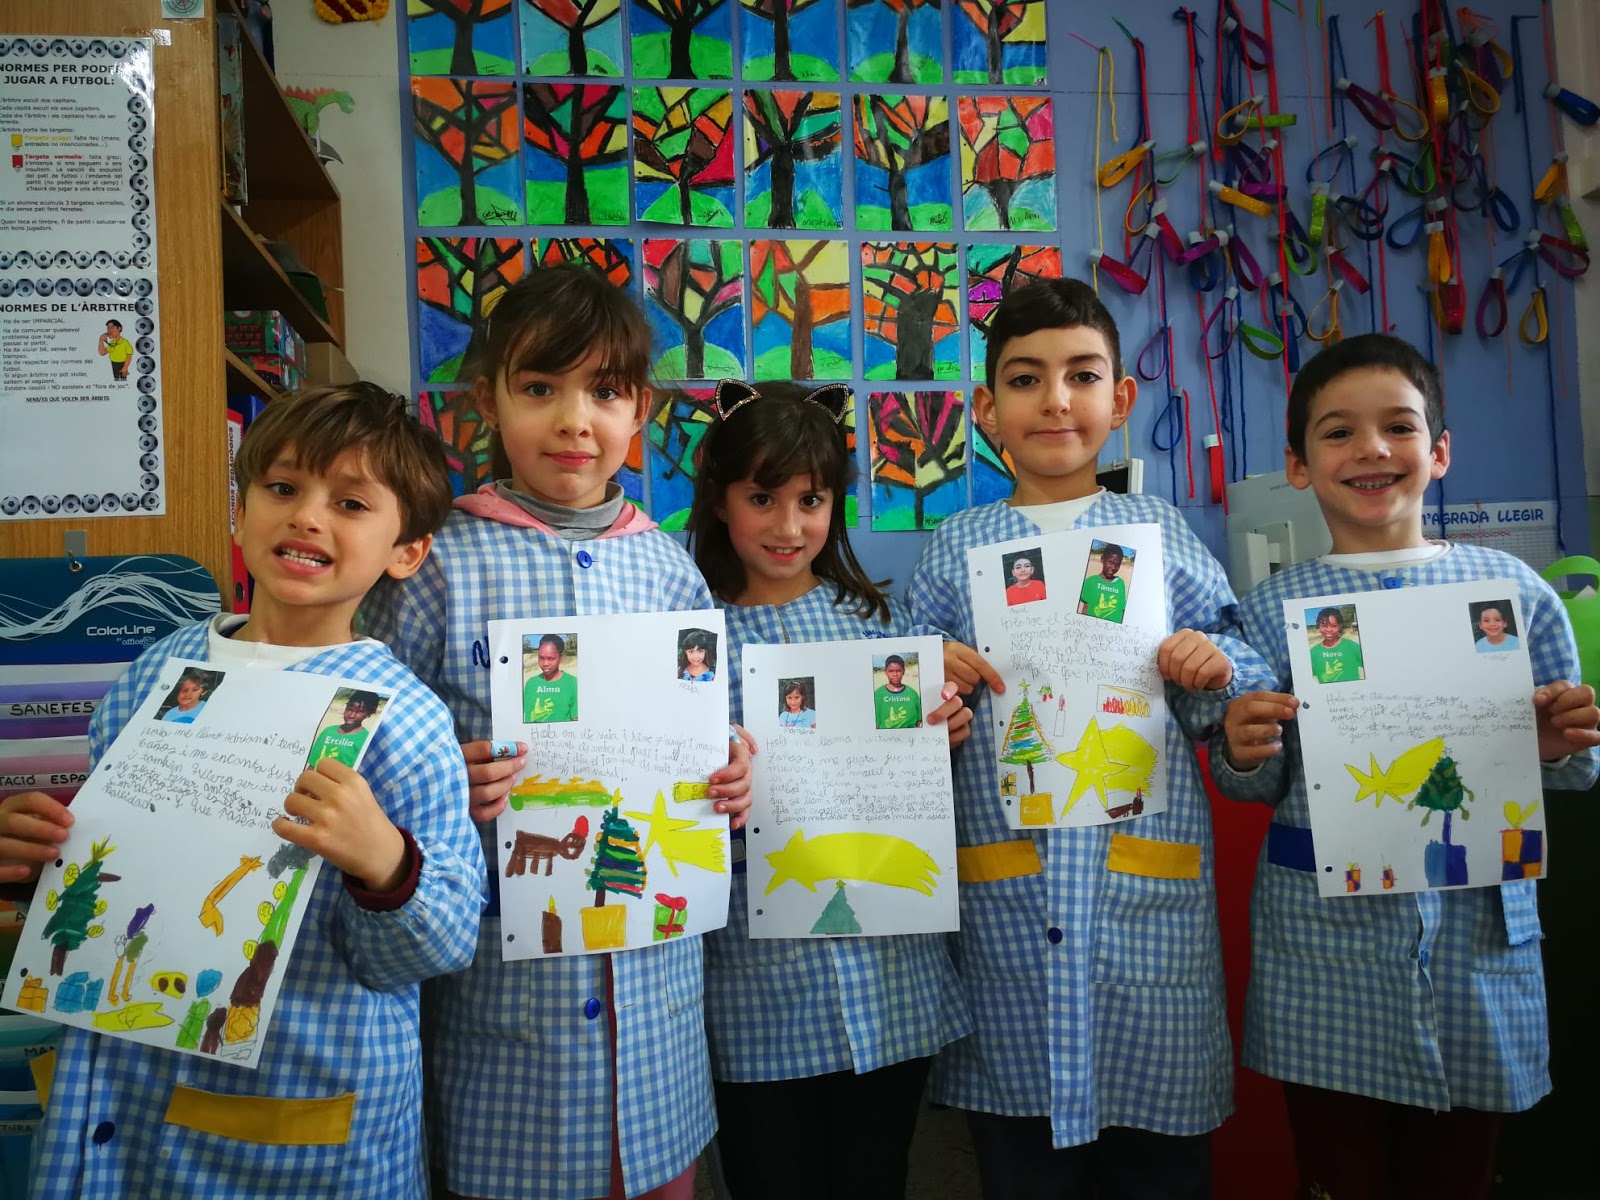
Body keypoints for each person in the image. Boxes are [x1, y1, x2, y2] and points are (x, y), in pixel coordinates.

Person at [0, 383, 486, 1198]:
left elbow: (437, 947)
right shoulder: (160, 671)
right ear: (241, 510)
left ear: (407, 551)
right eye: (283, 487)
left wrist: (386, 864)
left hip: (293, 1108)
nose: (307, 517)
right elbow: (109, 857)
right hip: (118, 1085)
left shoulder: (404, 718)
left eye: (351, 503)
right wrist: (37, 854)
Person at [363, 265, 752, 1200]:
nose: (574, 420)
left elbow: (717, 724)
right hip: (505, 1009)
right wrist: (437, 780)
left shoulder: (670, 572)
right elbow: (368, 744)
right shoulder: (435, 563)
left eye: (604, 392)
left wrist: (734, 767)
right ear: (487, 402)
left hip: (655, 1002)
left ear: (640, 411)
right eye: (540, 388)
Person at [1211, 333, 1600, 1200]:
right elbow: (1253, 781)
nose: (1372, 449)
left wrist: (1553, 743)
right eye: (1338, 432)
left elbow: (1573, 771)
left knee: (1458, 1175)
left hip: (1476, 951)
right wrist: (1241, 745)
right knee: (1338, 1174)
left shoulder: (1515, 596)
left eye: (1398, 426)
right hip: (1325, 958)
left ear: (1440, 450)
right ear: (1299, 464)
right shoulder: (1266, 612)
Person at [907, 278, 1271, 1198]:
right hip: (1010, 922)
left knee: (1161, 1171)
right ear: (987, 406)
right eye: (1025, 379)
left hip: (1142, 924)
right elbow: (905, 728)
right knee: (1023, 1170)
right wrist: (927, 692)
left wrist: (1215, 666)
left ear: (1121, 398)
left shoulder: (1158, 535)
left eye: (1081, 375)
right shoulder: (955, 548)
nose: (1055, 400)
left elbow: (1237, 690)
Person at [685, 379, 975, 1200]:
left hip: (889, 985)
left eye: (811, 500)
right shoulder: (690, 642)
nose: (788, 526)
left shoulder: (883, 628)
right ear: (720, 500)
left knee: (875, 1179)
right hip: (756, 990)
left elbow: (914, 788)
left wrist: (941, 737)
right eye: (762, 498)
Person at [307, 689, 380, 767]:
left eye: (359, 711)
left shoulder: (365, 739)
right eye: (349, 709)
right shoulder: (328, 731)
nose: (351, 715)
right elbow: (312, 765)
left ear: (369, 713)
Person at [523, 633, 577, 722]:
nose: (545, 664)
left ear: (561, 657)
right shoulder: (531, 684)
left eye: (551, 659)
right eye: (541, 658)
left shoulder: (572, 683)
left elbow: (577, 723)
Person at [1307, 606, 1365, 682]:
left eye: (1333, 626)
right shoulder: (1312, 654)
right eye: (1324, 626)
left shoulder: (1354, 647)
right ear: (1319, 626)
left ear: (1340, 626)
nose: (1329, 630)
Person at [1078, 544, 1129, 623]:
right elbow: (1085, 609)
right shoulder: (1090, 581)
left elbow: (1121, 610)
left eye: (1117, 564)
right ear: (1102, 559)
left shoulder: (1120, 583)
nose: (1113, 567)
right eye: (1111, 562)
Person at [873, 653, 923, 729]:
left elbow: (919, 721)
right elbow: (875, 723)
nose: (895, 674)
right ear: (885, 672)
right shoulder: (878, 694)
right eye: (891, 671)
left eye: (898, 671)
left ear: (903, 671)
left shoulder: (912, 693)